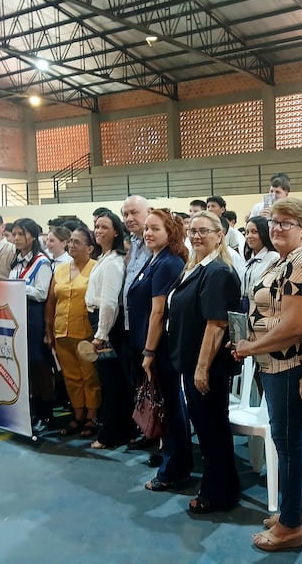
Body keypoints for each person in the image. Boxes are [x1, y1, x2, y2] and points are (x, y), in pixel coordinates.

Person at [234, 198, 302, 552]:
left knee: (287, 444)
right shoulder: (283, 260)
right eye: (274, 221)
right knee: (289, 442)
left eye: (286, 222)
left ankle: (289, 527)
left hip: (288, 363)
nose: (277, 228)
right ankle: (298, 511)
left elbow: (294, 325)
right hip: (273, 362)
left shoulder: (301, 263)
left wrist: (249, 347)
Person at [168, 210, 241, 514]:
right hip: (191, 362)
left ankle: (218, 493)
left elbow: (216, 324)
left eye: (204, 231)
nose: (196, 236)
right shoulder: (196, 267)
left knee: (213, 431)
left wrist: (201, 369)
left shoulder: (218, 272)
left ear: (219, 235)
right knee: (208, 428)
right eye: (193, 231)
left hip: (207, 367)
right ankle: (222, 486)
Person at [127, 210, 192, 491]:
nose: (148, 233)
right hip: (149, 345)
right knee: (167, 405)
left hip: (160, 347)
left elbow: (158, 312)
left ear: (171, 233)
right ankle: (173, 461)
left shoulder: (167, 263)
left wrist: (150, 352)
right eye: (147, 229)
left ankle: (174, 468)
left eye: (156, 229)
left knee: (171, 407)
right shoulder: (153, 260)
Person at [45, 226, 100, 437]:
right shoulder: (59, 269)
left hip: (86, 333)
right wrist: (48, 330)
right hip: (61, 333)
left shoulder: (96, 268)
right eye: (70, 241)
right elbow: (51, 302)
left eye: (77, 242)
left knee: (90, 377)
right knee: (71, 377)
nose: (71, 245)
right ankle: (77, 416)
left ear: (90, 248)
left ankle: (92, 417)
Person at [85, 210, 128, 449]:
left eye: (103, 227)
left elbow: (110, 302)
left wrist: (101, 334)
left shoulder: (114, 261)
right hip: (98, 319)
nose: (98, 230)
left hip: (107, 325)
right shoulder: (104, 257)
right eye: (96, 226)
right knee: (109, 381)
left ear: (115, 232)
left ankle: (111, 434)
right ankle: (115, 429)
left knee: (112, 383)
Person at [9, 218, 54, 433]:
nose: (16, 238)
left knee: (39, 366)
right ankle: (33, 409)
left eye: (21, 234)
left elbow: (41, 292)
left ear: (33, 236)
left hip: (34, 317)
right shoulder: (16, 260)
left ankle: (46, 413)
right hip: (17, 316)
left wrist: (16, 288)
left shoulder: (41, 262)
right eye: (14, 234)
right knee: (24, 366)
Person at [121, 195, 155, 448]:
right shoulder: (132, 243)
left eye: (134, 212)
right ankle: (145, 427)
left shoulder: (157, 245)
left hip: (149, 324)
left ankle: (157, 433)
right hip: (130, 324)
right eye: (125, 214)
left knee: (154, 384)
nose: (129, 218)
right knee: (138, 382)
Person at [242, 216, 279, 312]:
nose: (249, 236)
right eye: (247, 232)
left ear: (264, 233)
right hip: (245, 308)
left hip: (263, 309)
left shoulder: (273, 258)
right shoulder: (249, 260)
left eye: (254, 232)